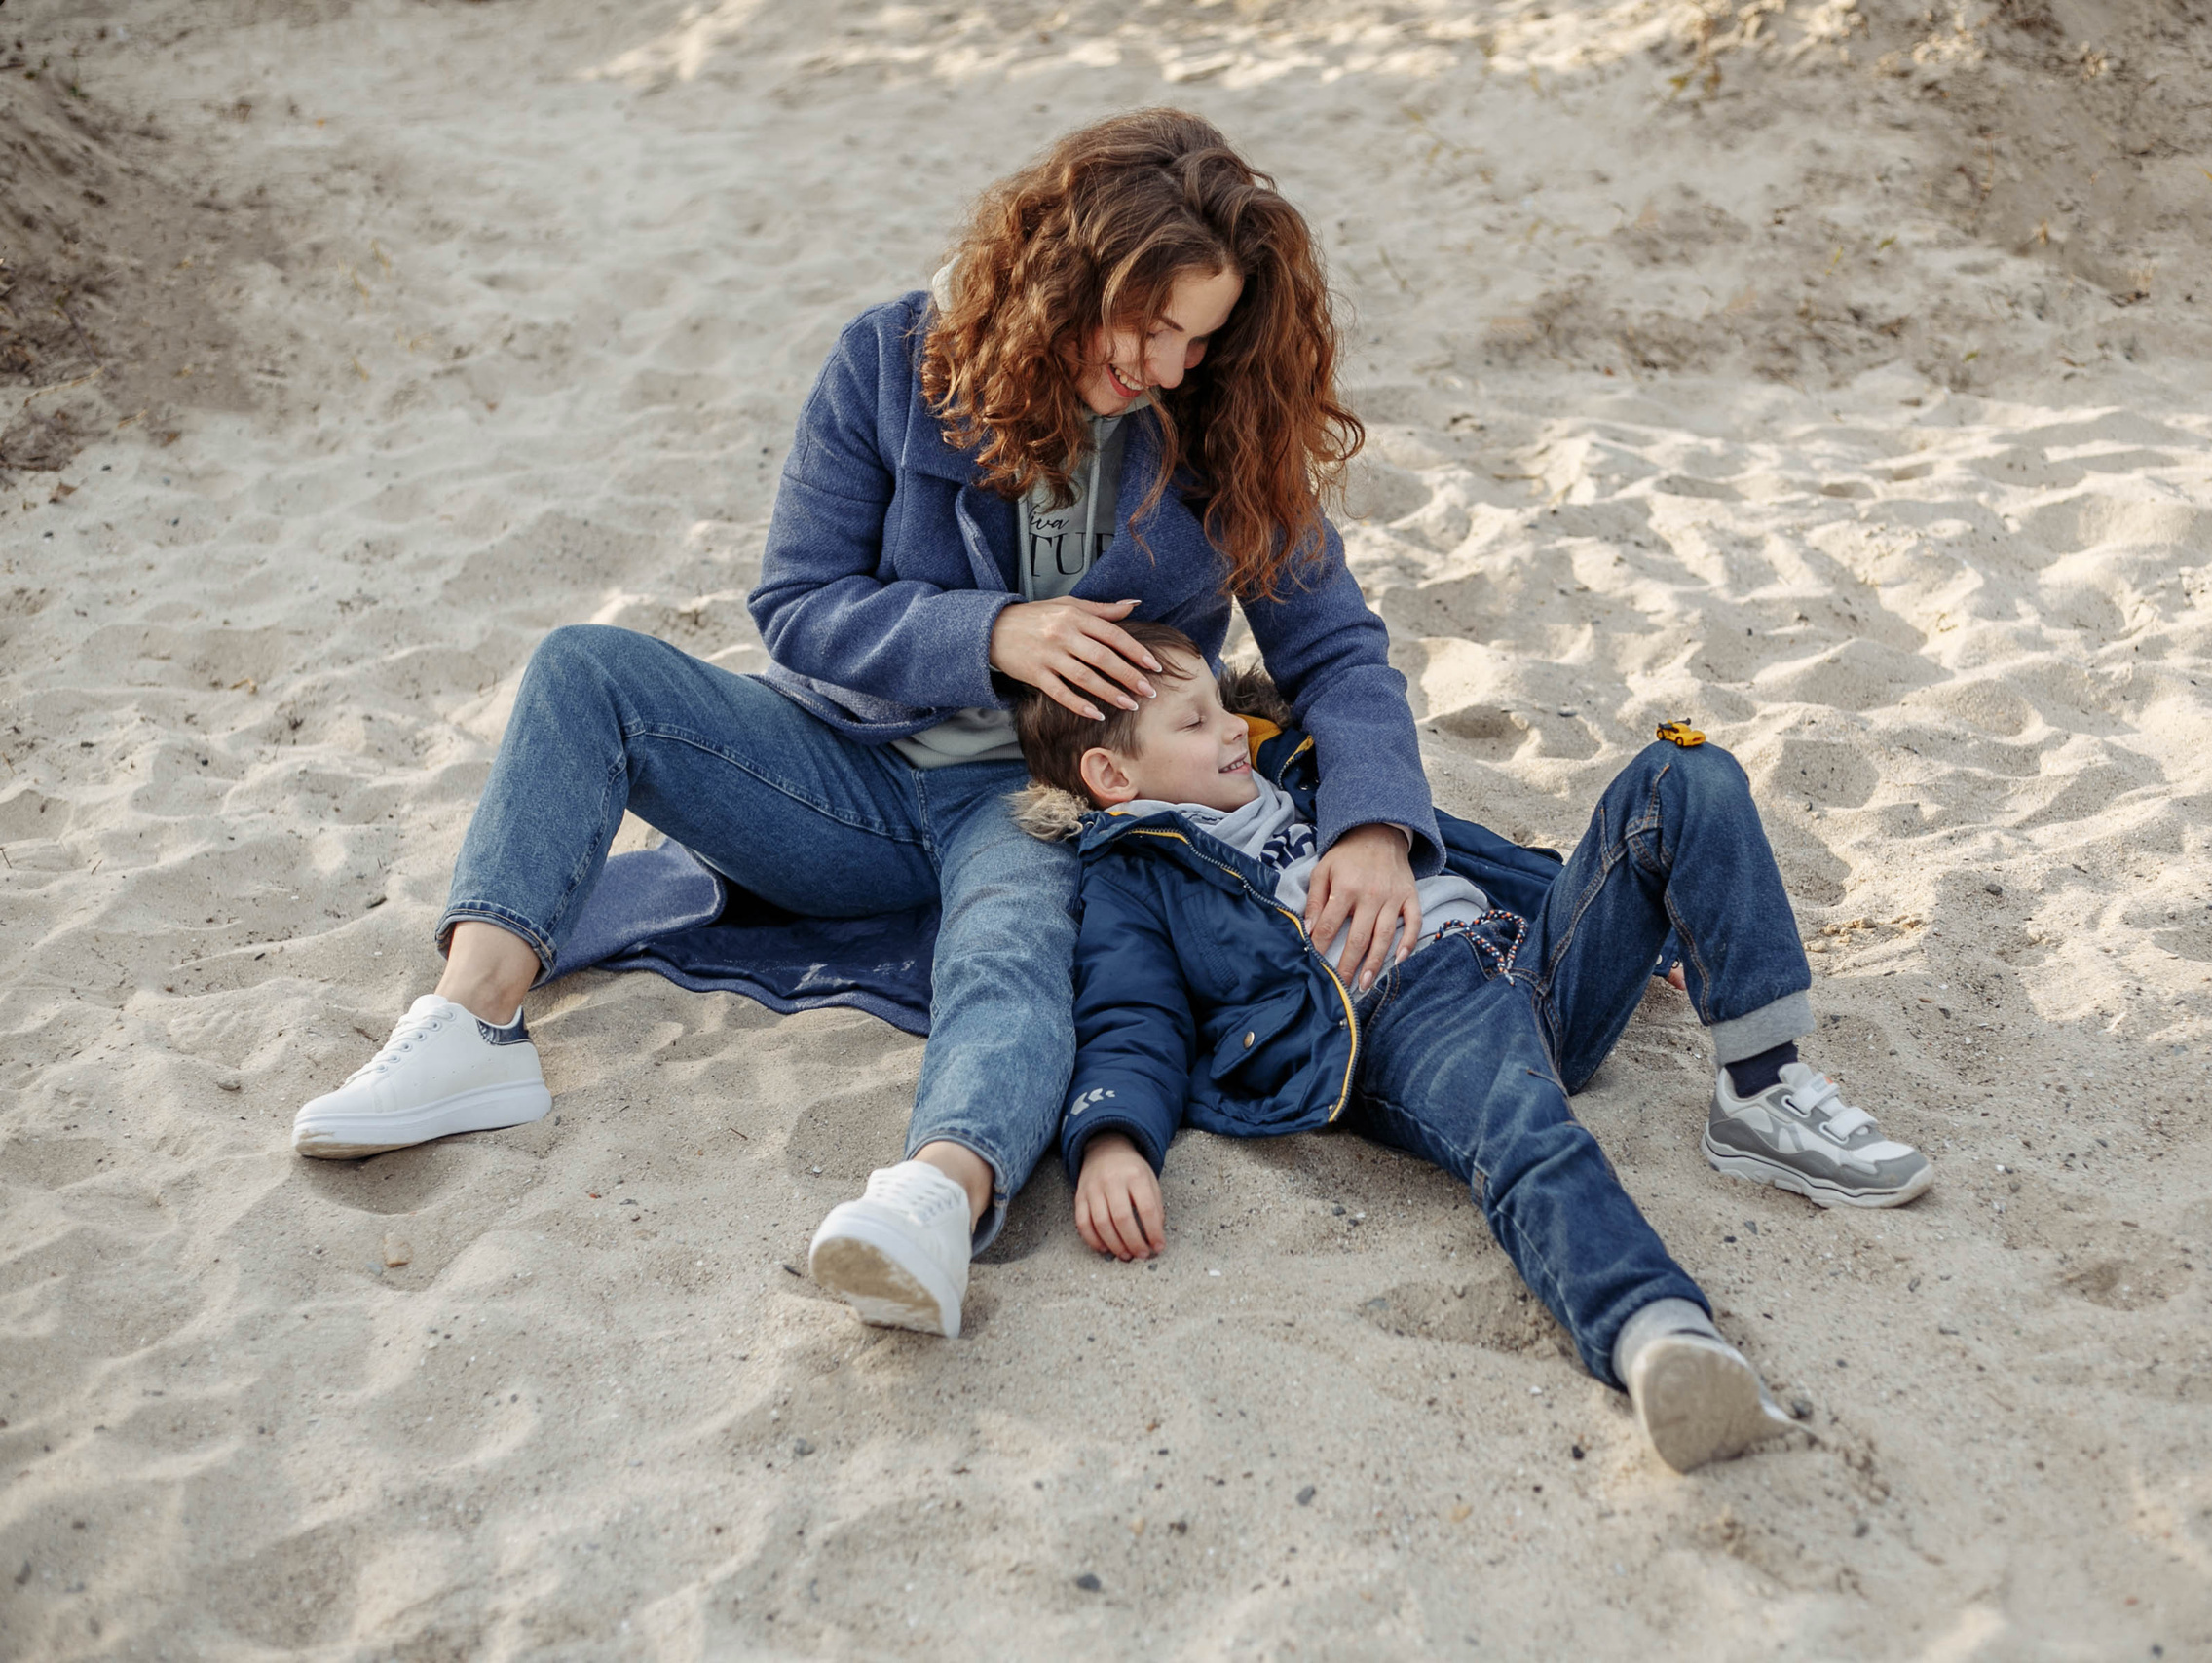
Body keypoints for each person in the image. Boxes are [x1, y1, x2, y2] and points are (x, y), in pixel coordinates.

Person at [288, 111, 1443, 1343]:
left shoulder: (1221, 421)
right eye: (1146, 325)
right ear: (1064, 274)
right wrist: (992, 634)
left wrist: (1376, 827)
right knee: (586, 670)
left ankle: (934, 1201)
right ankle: (474, 1027)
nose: (1164, 365)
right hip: (848, 778)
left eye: (1195, 340)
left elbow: (1332, 647)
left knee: (1007, 956)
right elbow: (797, 604)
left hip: (1044, 804)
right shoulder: (891, 362)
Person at [998, 624, 1933, 1472]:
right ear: (1113, 778)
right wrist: (1113, 1139)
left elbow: (1473, 853)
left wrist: (1650, 917)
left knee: (1685, 772)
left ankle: (1762, 1088)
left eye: (1224, 703)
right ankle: (1661, 1335)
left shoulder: (1310, 774)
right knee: (1528, 1139)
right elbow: (1132, 1017)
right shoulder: (1139, 879)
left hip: (1525, 958)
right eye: (1195, 721)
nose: (1235, 728)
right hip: (1407, 1011)